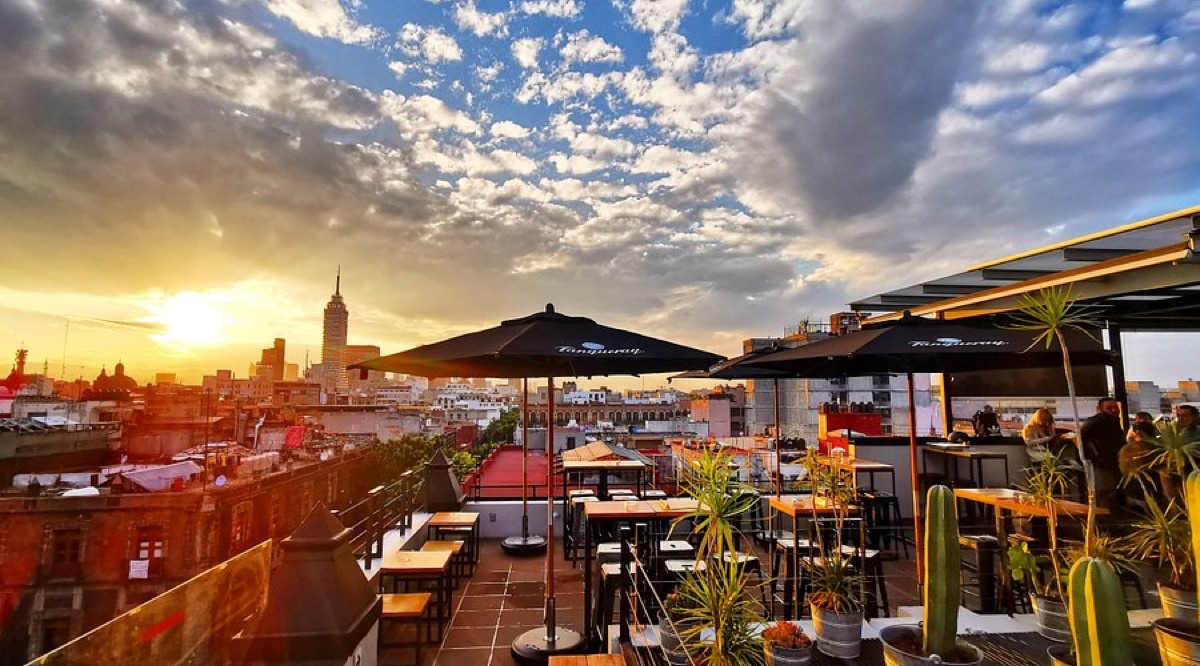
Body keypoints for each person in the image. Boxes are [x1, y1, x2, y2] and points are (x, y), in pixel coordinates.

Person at [1080, 397, 1126, 512]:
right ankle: (1104, 522)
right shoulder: (1096, 422)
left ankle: (1108, 520)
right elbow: (1080, 438)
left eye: (1115, 408)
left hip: (1111, 462)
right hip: (1102, 464)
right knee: (1104, 493)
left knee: (1109, 492)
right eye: (1109, 408)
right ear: (1100, 409)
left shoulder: (1112, 422)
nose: (1114, 410)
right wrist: (1094, 455)